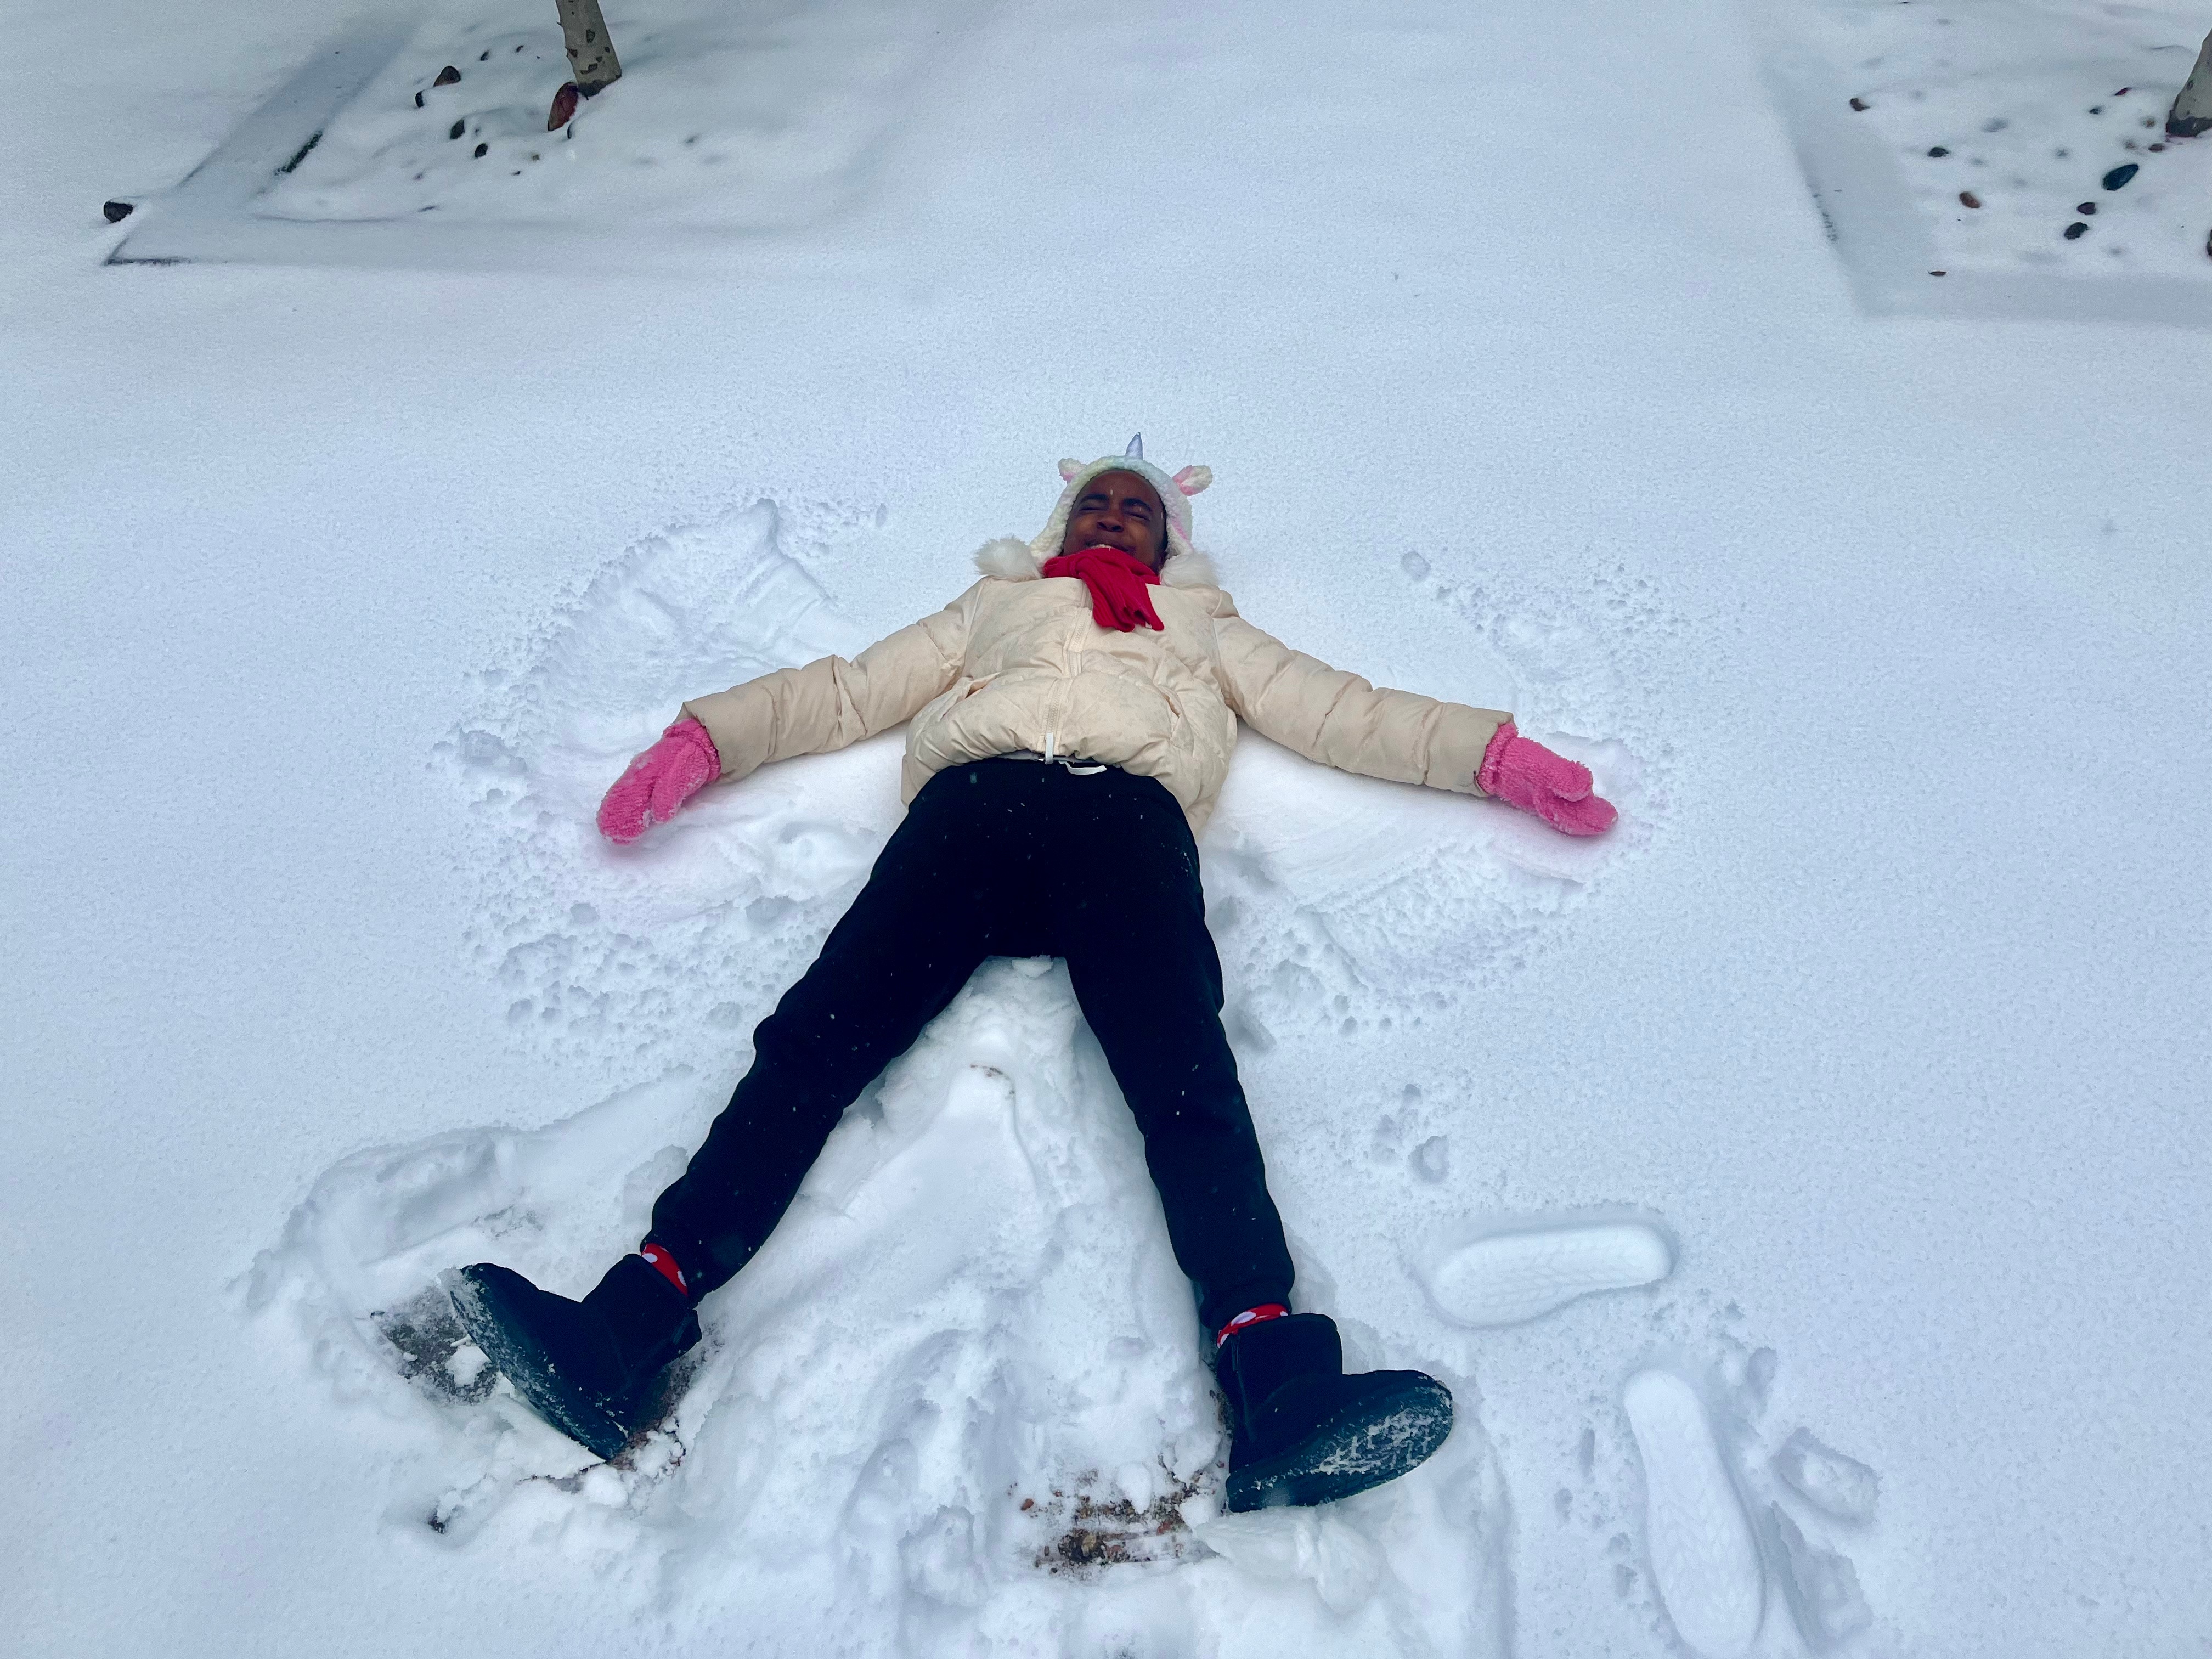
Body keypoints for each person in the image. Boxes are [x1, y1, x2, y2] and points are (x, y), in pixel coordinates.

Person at [454, 439, 1616, 1512]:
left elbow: (1343, 714)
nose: (1117, 519)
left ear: (1171, 541)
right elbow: (853, 686)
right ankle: (626, 1325)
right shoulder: (1001, 605)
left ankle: (1276, 1383)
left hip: (1125, 824)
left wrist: (1494, 755)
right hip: (976, 811)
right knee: (814, 1045)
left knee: (1185, 1083)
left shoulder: (1203, 625)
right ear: (1063, 521)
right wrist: (707, 738)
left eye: (1139, 511)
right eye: (1098, 503)